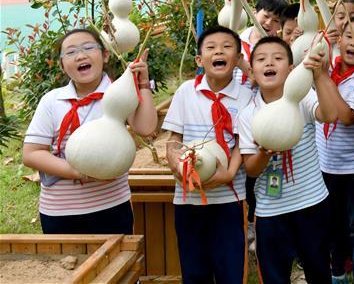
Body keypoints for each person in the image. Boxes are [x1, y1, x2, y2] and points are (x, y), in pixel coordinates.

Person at [23, 28, 156, 234]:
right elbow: (31, 153)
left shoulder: (119, 95)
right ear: (62, 65)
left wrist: (143, 84)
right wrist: (77, 172)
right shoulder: (51, 101)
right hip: (59, 210)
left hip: (111, 205)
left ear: (105, 55)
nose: (80, 56)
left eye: (88, 48)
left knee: (116, 256)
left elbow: (146, 128)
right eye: (70, 52)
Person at [238, 36, 347, 284]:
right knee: (275, 276)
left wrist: (319, 76)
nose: (269, 62)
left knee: (319, 271)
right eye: (261, 59)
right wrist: (264, 153)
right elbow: (251, 170)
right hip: (270, 211)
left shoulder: (304, 98)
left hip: (313, 202)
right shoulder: (248, 115)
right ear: (252, 72)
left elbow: (330, 115)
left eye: (277, 58)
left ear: (291, 69)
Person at [163, 25, 253, 284]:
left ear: (238, 59)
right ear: (199, 60)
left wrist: (230, 173)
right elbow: (173, 140)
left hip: (229, 199)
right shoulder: (185, 92)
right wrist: (177, 165)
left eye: (227, 47)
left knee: (230, 270)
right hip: (188, 200)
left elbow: (242, 143)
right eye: (211, 47)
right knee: (194, 271)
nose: (219, 52)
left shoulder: (246, 96)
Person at [316, 16, 354, 284]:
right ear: (339, 40)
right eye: (349, 37)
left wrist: (323, 79)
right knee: (332, 222)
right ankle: (337, 271)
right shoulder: (327, 67)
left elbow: (347, 117)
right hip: (325, 164)